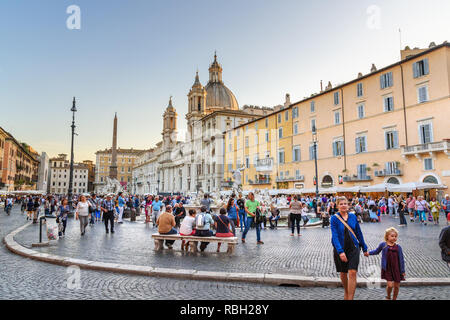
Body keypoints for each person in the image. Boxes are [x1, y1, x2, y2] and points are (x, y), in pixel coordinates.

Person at [330, 196, 369, 300]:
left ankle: (350, 298)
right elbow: (335, 236)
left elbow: (358, 233)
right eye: (341, 204)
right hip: (341, 249)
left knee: (352, 272)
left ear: (348, 205)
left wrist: (364, 248)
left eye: (345, 203)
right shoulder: (334, 218)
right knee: (343, 273)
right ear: (337, 206)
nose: (343, 205)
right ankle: (346, 292)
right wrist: (340, 251)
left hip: (354, 248)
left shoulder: (352, 217)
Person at [367, 227, 405, 300]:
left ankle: (394, 298)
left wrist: (402, 271)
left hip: (397, 269)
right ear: (387, 236)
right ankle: (388, 296)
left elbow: (401, 259)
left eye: (395, 236)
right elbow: (376, 251)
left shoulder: (398, 247)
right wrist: (368, 253)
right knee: (390, 285)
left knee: (397, 286)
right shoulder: (383, 245)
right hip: (387, 268)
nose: (394, 238)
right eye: (392, 236)